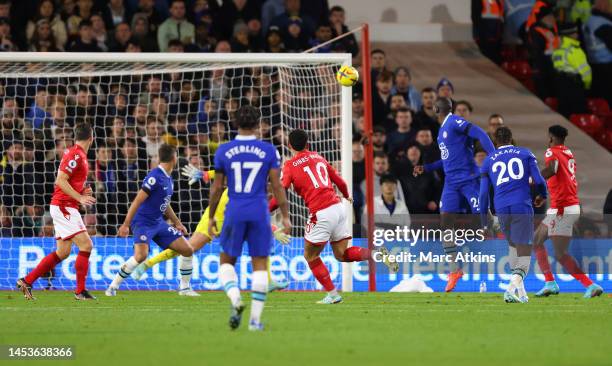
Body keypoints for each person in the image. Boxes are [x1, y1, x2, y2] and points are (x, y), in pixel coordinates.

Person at [278, 129, 396, 304]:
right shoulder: (318, 157)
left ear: (289, 145)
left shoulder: (289, 165)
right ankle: (377, 253)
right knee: (341, 254)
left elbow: (282, 191)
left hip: (321, 212)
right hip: (339, 208)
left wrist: (268, 208)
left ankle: (333, 295)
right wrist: (347, 195)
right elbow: (340, 182)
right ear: (307, 144)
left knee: (310, 256)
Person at [130, 168, 292, 294]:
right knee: (189, 248)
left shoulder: (260, 188)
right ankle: (147, 264)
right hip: (217, 217)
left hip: (233, 221)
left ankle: (268, 280)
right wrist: (205, 174)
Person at [208, 105, 290, 331]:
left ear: (235, 123)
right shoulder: (268, 151)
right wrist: (285, 216)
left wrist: (212, 216)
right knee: (260, 265)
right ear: (257, 125)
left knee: (226, 262)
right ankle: (255, 321)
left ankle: (236, 300)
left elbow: (217, 188)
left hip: (234, 210)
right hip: (259, 211)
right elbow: (277, 186)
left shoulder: (224, 151)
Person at [413, 97, 495, 292]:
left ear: (435, 109)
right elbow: (447, 160)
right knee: (445, 224)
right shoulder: (442, 131)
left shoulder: (454, 121)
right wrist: (427, 167)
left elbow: (480, 133)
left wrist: (493, 156)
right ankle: (454, 270)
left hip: (468, 179)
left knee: (485, 218)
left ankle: (507, 231)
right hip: (451, 183)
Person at [17, 124, 97, 301]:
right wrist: (80, 197)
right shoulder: (76, 154)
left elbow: (69, 181)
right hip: (63, 206)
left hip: (66, 205)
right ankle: (80, 291)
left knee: (63, 252)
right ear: (91, 138)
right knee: (86, 245)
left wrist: (81, 193)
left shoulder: (79, 155)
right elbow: (60, 180)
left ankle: (27, 281)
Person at [105, 144, 194, 296]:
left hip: (158, 222)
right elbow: (137, 201)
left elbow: (165, 204)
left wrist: (177, 222)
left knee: (187, 250)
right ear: (174, 158)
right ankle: (113, 287)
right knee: (141, 256)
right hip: (143, 222)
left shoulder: (168, 178)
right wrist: (126, 224)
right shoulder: (155, 176)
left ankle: (184, 288)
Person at [532, 125, 604, 299]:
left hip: (563, 209)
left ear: (551, 138)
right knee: (536, 240)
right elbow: (562, 180)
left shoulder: (552, 152)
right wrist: (545, 195)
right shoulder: (568, 152)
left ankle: (590, 285)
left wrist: (533, 180)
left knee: (560, 254)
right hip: (563, 206)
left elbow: (552, 169)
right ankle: (550, 283)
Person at [479, 126, 548, 303]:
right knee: (524, 252)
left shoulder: (488, 161)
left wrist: (484, 223)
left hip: (501, 208)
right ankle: (510, 289)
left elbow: (483, 195)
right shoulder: (525, 153)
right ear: (511, 138)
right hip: (521, 206)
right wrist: (543, 195)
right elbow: (539, 180)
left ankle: (522, 294)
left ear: (495, 141)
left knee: (512, 246)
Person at [552, 23, 591, 118]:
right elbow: (586, 73)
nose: (577, 35)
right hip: (575, 87)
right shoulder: (575, 50)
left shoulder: (557, 49)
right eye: (575, 33)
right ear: (571, 35)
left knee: (565, 116)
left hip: (561, 86)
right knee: (579, 115)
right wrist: (587, 86)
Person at [583, 0, 612, 105]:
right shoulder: (603, 24)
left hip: (594, 64)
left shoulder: (591, 20)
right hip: (606, 66)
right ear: (603, 6)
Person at [527, 5, 559, 99]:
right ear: (545, 18)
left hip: (553, 68)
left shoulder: (550, 29)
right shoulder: (536, 31)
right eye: (551, 17)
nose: (554, 19)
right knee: (546, 95)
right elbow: (536, 52)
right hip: (544, 70)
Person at [472, 0, 504, 64]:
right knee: (488, 55)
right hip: (486, 33)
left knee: (495, 55)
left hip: (495, 31)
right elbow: (475, 16)